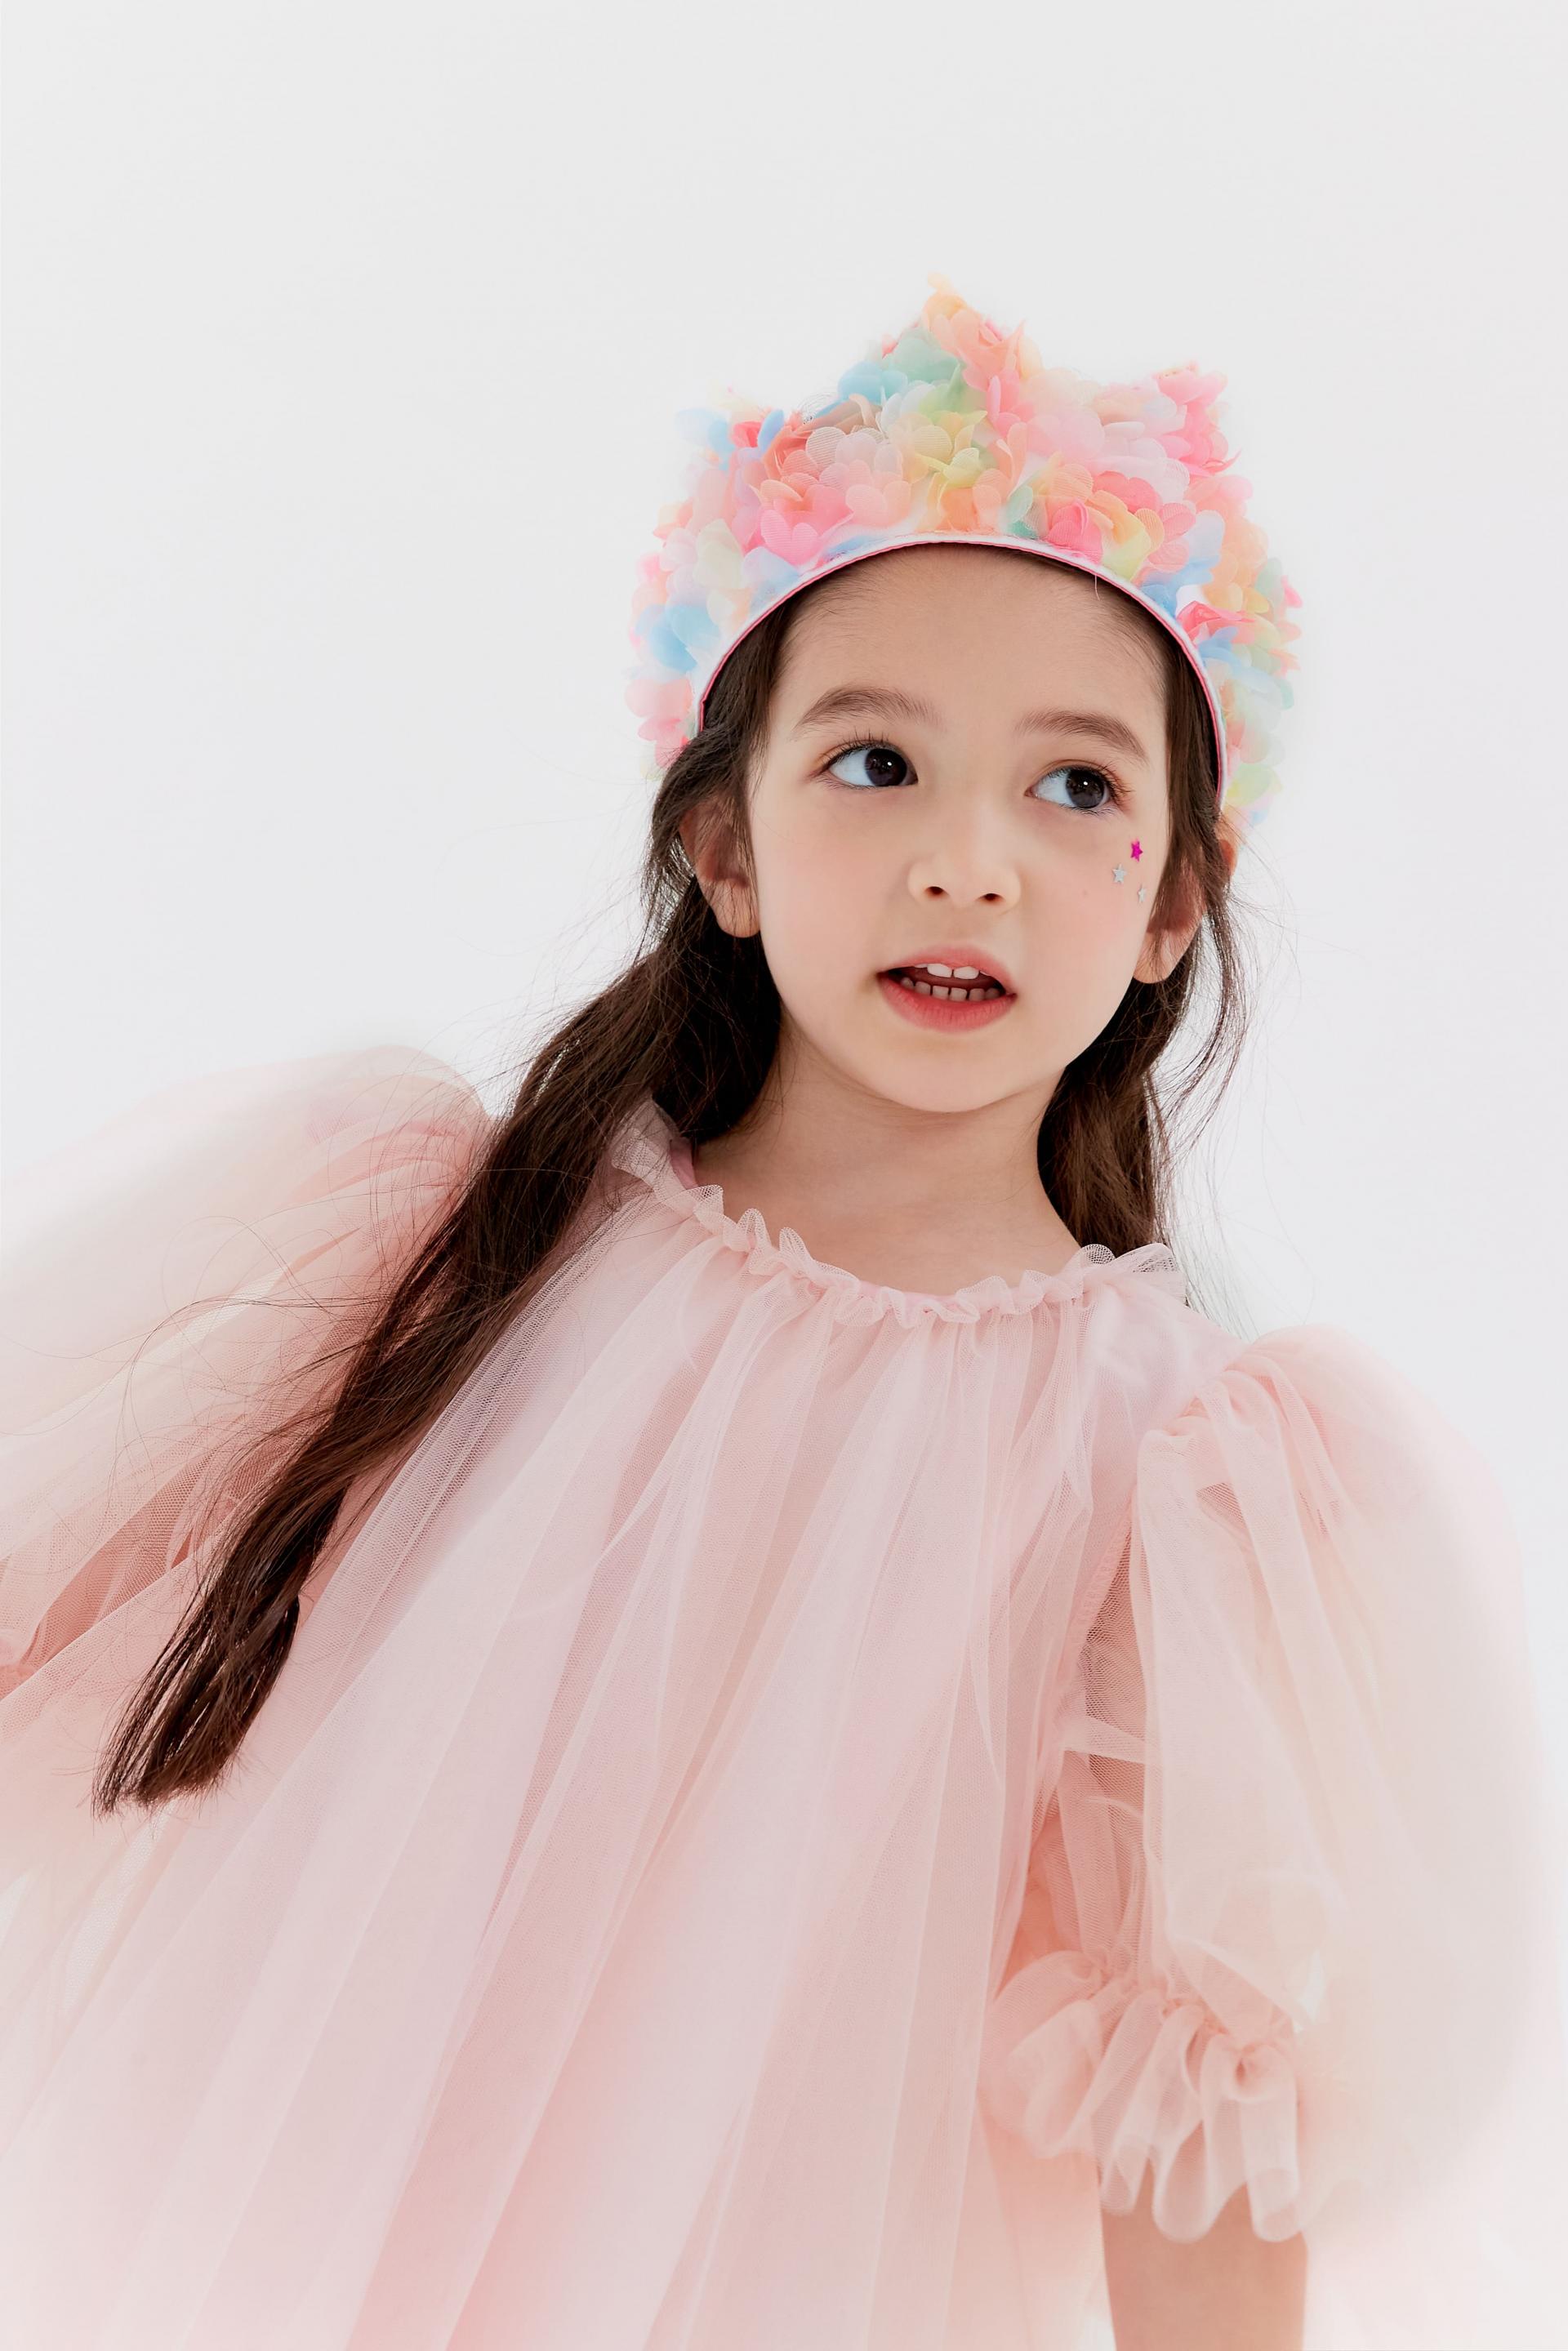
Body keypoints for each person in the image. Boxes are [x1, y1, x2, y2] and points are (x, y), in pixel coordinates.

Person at [1, 274, 1563, 2351]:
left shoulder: (1187, 1476)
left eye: (1074, 789)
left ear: (1174, 901)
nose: (969, 862)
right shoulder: (460, 1241)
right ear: (725, 847)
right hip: (342, 2243)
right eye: (877, 762)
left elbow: (1190, 2116)